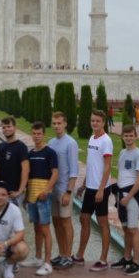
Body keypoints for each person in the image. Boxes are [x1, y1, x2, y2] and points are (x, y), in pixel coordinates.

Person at [75, 110, 113, 271]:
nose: (95, 123)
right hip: (90, 187)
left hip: (100, 189)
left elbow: (107, 166)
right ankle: (79, 255)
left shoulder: (106, 141)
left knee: (103, 223)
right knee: (84, 218)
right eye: (93, 121)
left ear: (103, 122)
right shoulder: (92, 138)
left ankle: (103, 260)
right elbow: (91, 165)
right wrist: (84, 184)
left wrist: (101, 189)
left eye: (98, 121)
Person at [24, 121, 59, 276]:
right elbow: (28, 175)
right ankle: (38, 258)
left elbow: (55, 173)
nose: (36, 136)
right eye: (34, 133)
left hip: (43, 195)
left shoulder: (50, 152)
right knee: (36, 227)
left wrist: (47, 190)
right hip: (32, 194)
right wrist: (26, 194)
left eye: (39, 134)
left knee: (45, 228)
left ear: (43, 134)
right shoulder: (30, 154)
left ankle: (47, 262)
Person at [112, 124, 139, 276]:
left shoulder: (138, 154)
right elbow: (122, 174)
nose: (128, 138)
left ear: (135, 136)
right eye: (126, 136)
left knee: (133, 229)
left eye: (131, 135)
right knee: (125, 229)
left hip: (131, 197)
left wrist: (129, 197)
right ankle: (127, 257)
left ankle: (137, 263)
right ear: (122, 137)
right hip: (121, 195)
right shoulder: (123, 152)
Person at [48, 111, 79, 269]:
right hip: (53, 189)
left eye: (59, 123)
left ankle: (68, 255)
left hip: (64, 189)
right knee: (56, 222)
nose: (57, 126)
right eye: (54, 123)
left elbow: (74, 170)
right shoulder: (51, 142)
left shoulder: (70, 143)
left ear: (65, 124)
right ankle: (61, 254)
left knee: (66, 222)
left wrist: (69, 191)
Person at [0, 117, 29, 207]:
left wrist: (20, 191)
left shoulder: (21, 147)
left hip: (14, 192)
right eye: (4, 127)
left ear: (15, 128)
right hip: (2, 192)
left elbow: (25, 170)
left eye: (9, 126)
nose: (6, 129)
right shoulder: (0, 146)